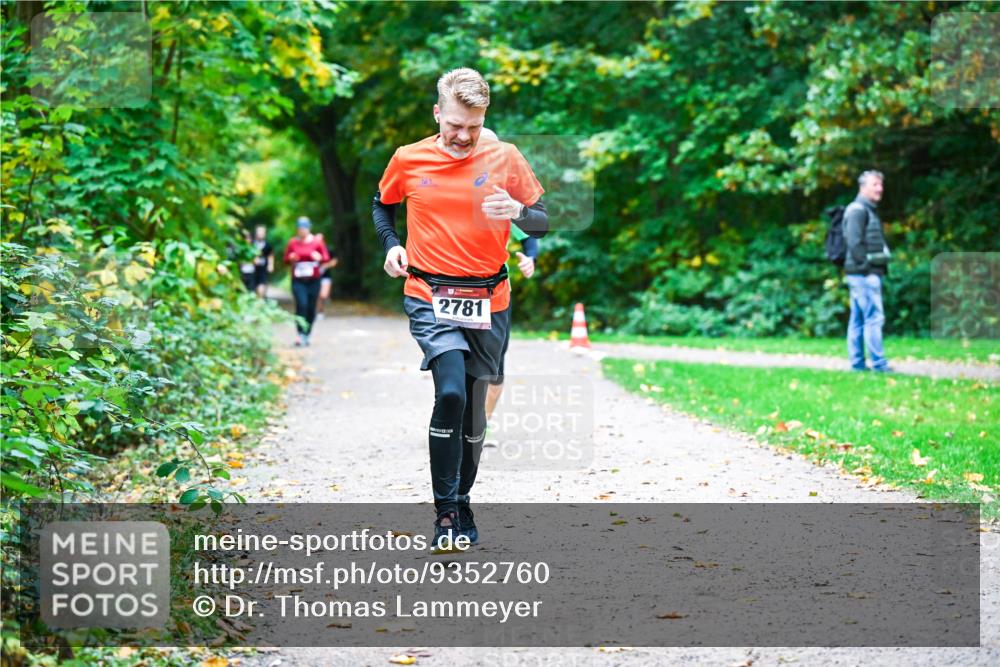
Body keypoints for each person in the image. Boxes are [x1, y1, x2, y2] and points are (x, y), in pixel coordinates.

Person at [372, 68, 547, 548]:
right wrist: (390, 245)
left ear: (484, 117)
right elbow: (381, 204)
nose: (464, 135)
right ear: (437, 113)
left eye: (473, 125)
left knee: (472, 413)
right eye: (454, 125)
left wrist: (519, 214)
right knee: (449, 393)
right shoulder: (409, 159)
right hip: (430, 294)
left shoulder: (505, 157)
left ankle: (462, 500)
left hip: (490, 300)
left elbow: (542, 221)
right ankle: (445, 515)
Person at [844, 169, 892, 372]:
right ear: (863, 187)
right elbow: (854, 242)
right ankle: (879, 364)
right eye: (875, 185)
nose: (880, 189)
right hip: (864, 274)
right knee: (873, 318)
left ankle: (857, 364)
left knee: (858, 319)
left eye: (881, 185)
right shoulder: (857, 210)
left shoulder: (866, 209)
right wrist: (866, 269)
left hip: (860, 273)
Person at [283, 216, 330, 347]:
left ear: (309, 228)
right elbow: (285, 260)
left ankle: (307, 333)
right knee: (301, 304)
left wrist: (319, 257)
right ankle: (299, 334)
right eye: (299, 229)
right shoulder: (292, 243)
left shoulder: (317, 242)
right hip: (298, 280)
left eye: (304, 228)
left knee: (310, 307)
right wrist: (291, 258)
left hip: (314, 280)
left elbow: (326, 258)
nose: (301, 231)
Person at [313, 233, 339, 320]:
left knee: (323, 295)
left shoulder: (328, 249)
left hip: (326, 276)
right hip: (314, 277)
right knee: (317, 295)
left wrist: (326, 266)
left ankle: (320, 309)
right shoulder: (312, 250)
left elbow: (335, 261)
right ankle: (319, 312)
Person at [251, 225, 274, 299]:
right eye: (259, 232)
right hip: (252, 269)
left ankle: (261, 299)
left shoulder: (268, 245)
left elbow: (270, 255)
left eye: (262, 232)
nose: (260, 234)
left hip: (263, 268)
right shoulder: (252, 244)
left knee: (262, 284)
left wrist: (271, 265)